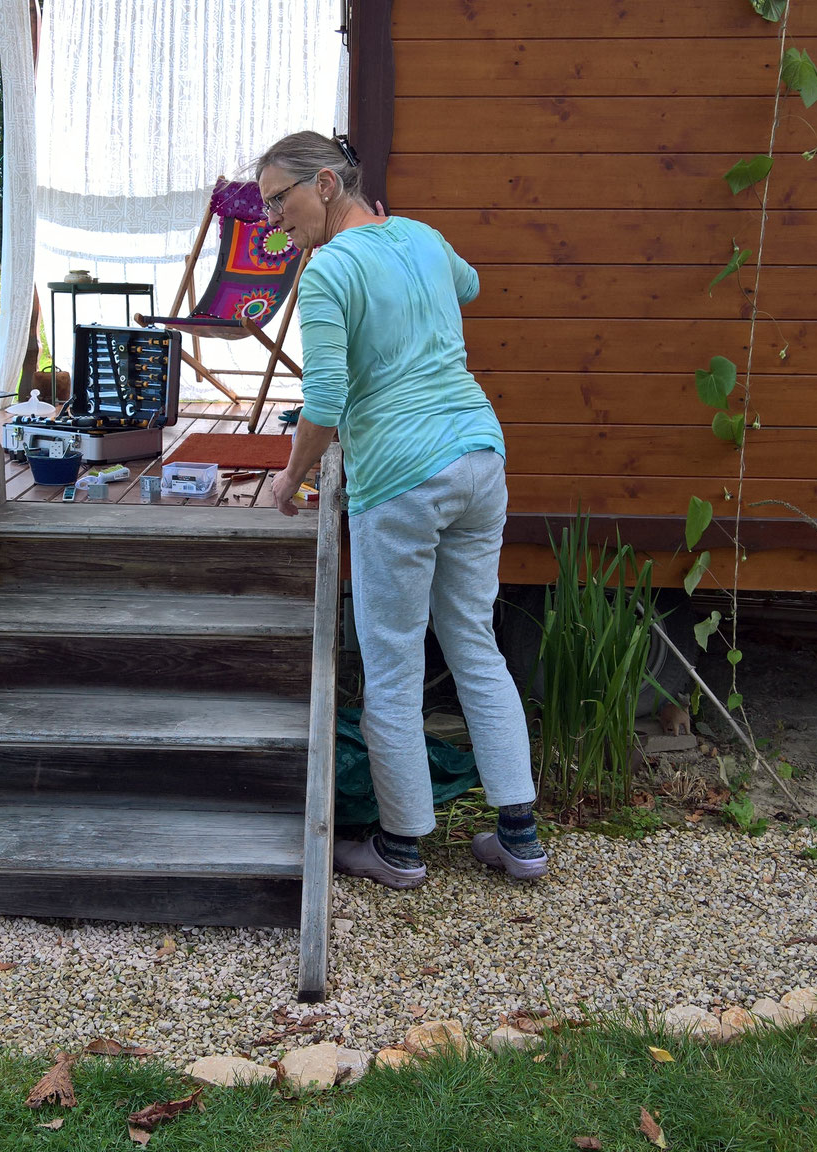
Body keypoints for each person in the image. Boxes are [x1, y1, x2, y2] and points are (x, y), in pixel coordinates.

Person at [256, 130, 545, 889]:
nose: (272, 220)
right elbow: (471, 286)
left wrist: (289, 480)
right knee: (475, 646)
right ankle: (520, 839)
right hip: (480, 457)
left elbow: (323, 402)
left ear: (323, 185)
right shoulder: (417, 234)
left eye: (277, 201)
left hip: (405, 476)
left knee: (390, 664)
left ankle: (401, 848)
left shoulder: (326, 275)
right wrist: (401, 241)